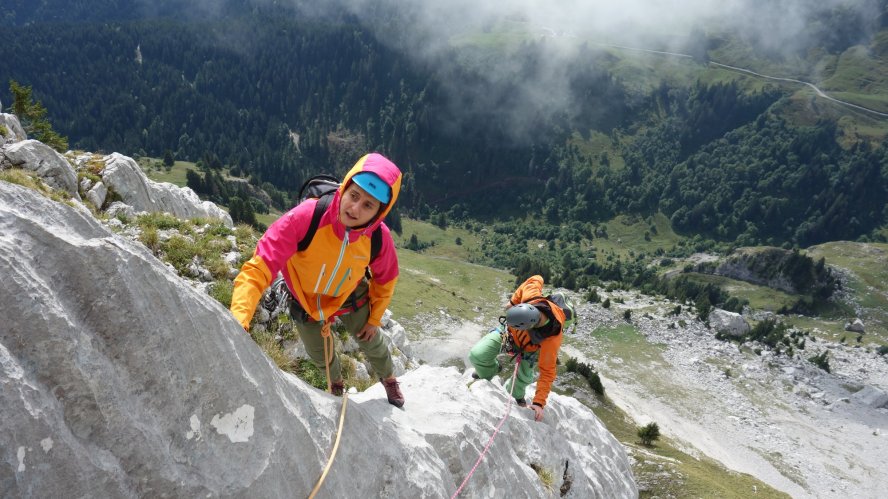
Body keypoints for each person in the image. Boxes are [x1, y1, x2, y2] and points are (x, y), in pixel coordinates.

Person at [229, 153, 405, 407]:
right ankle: (336, 385)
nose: (355, 209)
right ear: (344, 188)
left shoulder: (378, 237)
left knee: (372, 342)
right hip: (305, 299)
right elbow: (259, 267)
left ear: (379, 212)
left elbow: (386, 278)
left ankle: (389, 379)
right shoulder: (307, 217)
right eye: (354, 196)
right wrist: (239, 318)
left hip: (349, 294)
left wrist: (375, 318)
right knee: (320, 354)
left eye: (368, 205)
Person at [469, 275, 565, 422]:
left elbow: (547, 371)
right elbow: (536, 278)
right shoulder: (531, 297)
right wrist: (513, 301)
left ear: (529, 327)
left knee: (524, 377)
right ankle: (490, 371)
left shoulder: (551, 339)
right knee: (477, 355)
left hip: (529, 348)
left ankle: (516, 394)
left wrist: (539, 403)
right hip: (508, 333)